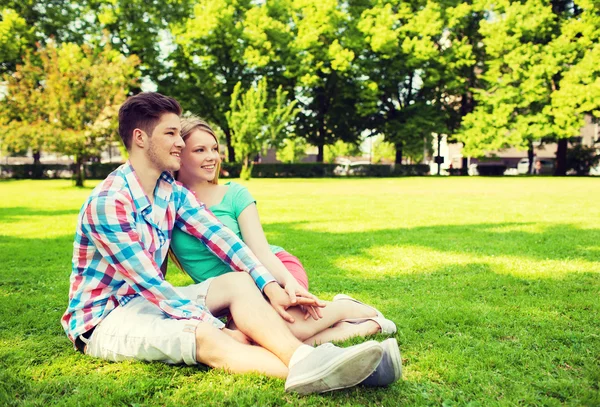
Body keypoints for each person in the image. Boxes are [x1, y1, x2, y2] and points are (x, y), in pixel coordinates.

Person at [61, 92, 399, 395]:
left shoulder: (171, 192)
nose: (180, 141)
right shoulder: (110, 202)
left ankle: (314, 360)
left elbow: (225, 241)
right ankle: (350, 371)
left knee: (239, 283)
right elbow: (152, 284)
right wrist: (214, 326)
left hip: (146, 300)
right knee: (208, 337)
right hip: (105, 319)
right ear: (140, 138)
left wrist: (268, 285)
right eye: (171, 133)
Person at [169, 116, 398, 346]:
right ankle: (359, 327)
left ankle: (347, 308)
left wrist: (288, 282)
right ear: (178, 153)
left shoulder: (235, 195)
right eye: (200, 150)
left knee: (285, 330)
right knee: (252, 341)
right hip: (234, 295)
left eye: (214, 149)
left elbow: (261, 251)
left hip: (276, 270)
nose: (212, 157)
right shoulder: (166, 205)